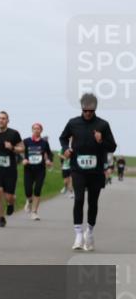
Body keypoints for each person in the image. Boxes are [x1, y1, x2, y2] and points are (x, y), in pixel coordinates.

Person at [59, 93, 117, 252]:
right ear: (82, 108)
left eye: (91, 111)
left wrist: (101, 141)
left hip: (96, 170)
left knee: (93, 202)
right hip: (78, 169)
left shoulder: (103, 125)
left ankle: (89, 232)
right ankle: (78, 234)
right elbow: (63, 138)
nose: (88, 113)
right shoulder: (73, 123)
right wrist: (66, 149)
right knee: (78, 199)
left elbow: (112, 146)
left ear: (95, 109)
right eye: (85, 110)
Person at [21, 124, 53, 220]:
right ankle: (29, 201)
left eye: (38, 129)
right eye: (34, 128)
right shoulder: (26, 141)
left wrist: (48, 160)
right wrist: (23, 160)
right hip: (29, 169)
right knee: (28, 190)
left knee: (37, 190)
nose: (36, 130)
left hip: (40, 170)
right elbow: (19, 152)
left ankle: (34, 212)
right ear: (32, 130)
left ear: (41, 130)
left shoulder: (44, 143)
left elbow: (50, 154)